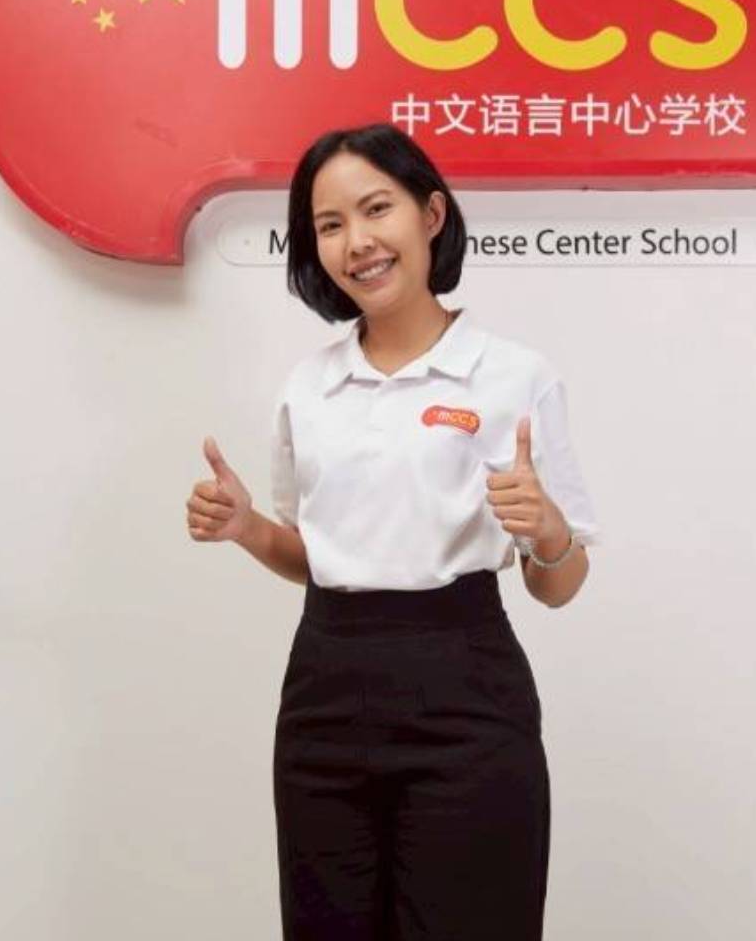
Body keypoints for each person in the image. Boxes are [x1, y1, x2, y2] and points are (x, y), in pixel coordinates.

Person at [186, 121, 602, 939]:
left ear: (431, 215)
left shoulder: (512, 376)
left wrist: (548, 530)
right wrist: (247, 528)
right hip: (324, 691)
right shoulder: (310, 388)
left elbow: (559, 586)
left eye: (377, 209)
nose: (358, 243)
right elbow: (318, 557)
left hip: (467, 689)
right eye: (330, 224)